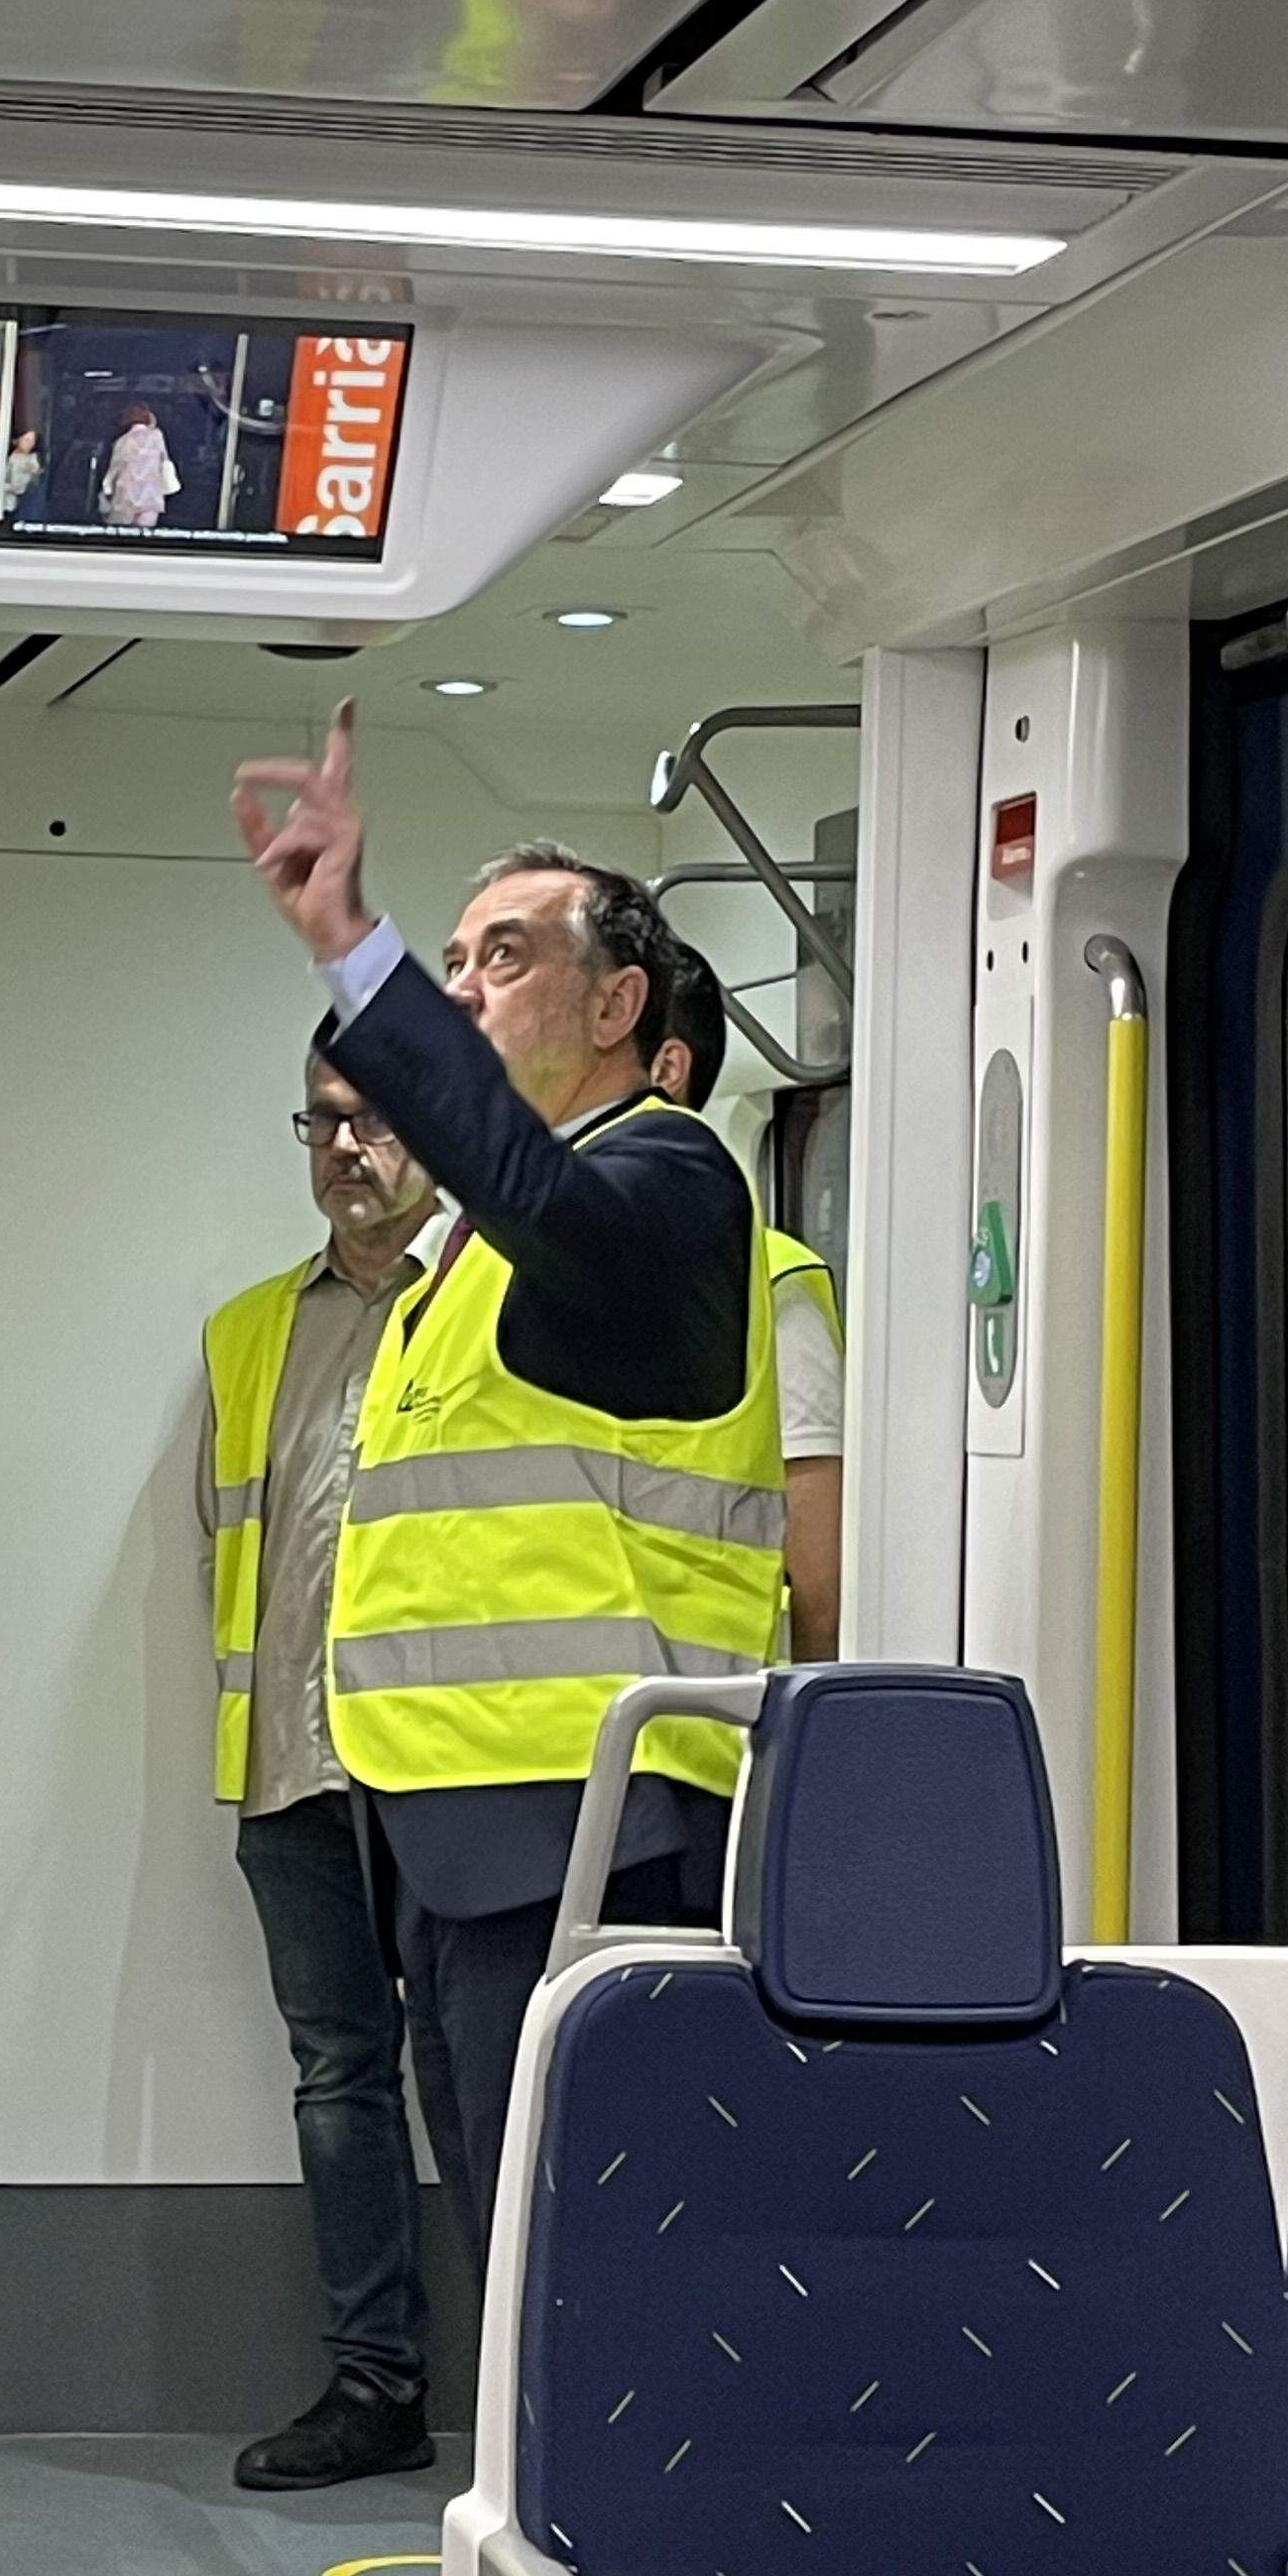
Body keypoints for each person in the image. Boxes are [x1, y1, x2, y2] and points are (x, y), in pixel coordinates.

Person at [229, 707, 780, 2263]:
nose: (466, 988)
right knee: (503, 2222)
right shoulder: (458, 1251)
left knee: (594, 2240)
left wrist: (355, 946)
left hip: (598, 1821)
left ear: (619, 1004)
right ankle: (526, 2503)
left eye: (503, 958)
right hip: (452, 1824)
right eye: (452, 962)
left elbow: (548, 1198)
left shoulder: (667, 1175)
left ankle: (619, 2509)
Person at [198, 1047, 451, 2492]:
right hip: (289, 1762)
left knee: (481, 2069)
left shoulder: (496, 1302)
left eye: (379, 1116)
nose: (348, 1146)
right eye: (325, 1119)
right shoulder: (247, 1334)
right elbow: (228, 1541)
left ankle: (540, 2378)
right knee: (340, 2072)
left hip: (458, 1763)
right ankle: (377, 2388)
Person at [650, 945, 845, 1659]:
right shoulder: (503, 1268)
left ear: (666, 1070)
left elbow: (819, 1587)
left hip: (705, 1728)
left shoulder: (771, 1284)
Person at [97, 402, 180, 527]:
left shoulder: (123, 441)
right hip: (150, 496)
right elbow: (165, 461)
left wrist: (107, 487)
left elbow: (115, 467)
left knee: (122, 533)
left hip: (126, 495)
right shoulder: (156, 436)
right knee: (146, 533)